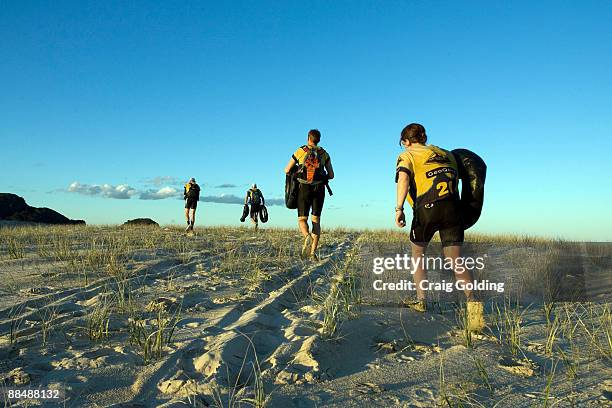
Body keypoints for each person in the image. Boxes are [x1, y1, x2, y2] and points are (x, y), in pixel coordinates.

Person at [395, 123, 484, 331]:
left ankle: (422, 300)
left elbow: (404, 178)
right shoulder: (447, 154)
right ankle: (473, 303)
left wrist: (399, 208)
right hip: (453, 209)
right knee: (455, 259)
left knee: (417, 253)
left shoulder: (407, 155)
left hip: (427, 208)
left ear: (406, 141)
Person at [284, 129, 334, 260]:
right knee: (316, 221)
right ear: (319, 139)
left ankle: (307, 237)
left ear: (308, 138)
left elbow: (286, 169)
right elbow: (331, 175)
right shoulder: (324, 153)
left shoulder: (301, 151)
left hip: (303, 188)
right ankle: (313, 254)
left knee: (302, 219)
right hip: (319, 189)